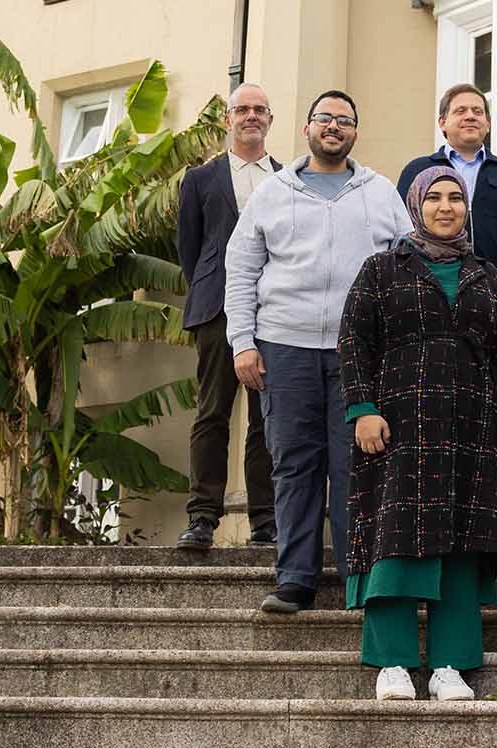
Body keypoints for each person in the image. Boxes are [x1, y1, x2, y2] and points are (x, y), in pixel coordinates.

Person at [224, 89, 412, 613]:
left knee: (356, 465)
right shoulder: (272, 192)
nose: (333, 126)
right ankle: (295, 579)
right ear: (307, 128)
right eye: (324, 118)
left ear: (355, 132)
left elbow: (404, 271)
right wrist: (243, 342)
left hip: (360, 353)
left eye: (344, 120)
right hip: (284, 346)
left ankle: (358, 577)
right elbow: (240, 269)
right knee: (293, 464)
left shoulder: (381, 193)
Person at [339, 166, 497, 702]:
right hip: (399, 422)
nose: (446, 207)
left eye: (455, 198)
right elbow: (353, 340)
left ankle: (449, 665)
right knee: (396, 538)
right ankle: (392, 662)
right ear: (416, 206)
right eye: (435, 197)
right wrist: (362, 409)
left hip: (470, 425)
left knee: (463, 542)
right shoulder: (382, 269)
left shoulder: (488, 275)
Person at [398, 83, 497, 542]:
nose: (470, 117)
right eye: (460, 110)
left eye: (478, 110)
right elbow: (398, 236)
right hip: (431, 303)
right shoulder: (419, 171)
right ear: (442, 121)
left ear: (488, 122)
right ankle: (435, 504)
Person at [174, 82, 282, 551]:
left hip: (274, 314)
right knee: (212, 413)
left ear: (270, 119)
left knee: (266, 419)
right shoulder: (200, 178)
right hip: (217, 310)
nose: (251, 116)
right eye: (242, 109)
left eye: (259, 109)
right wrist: (211, 292)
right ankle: (202, 517)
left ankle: (266, 521)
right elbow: (190, 249)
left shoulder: (286, 179)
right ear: (228, 119)